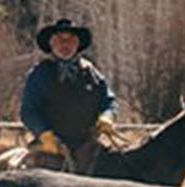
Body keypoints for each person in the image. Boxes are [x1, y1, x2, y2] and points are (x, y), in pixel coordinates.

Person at [20, 17, 119, 171]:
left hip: (88, 145)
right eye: (60, 40)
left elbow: (108, 100)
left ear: (78, 44)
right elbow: (28, 111)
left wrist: (107, 116)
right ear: (51, 44)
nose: (65, 45)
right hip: (52, 145)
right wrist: (44, 134)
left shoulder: (91, 73)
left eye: (71, 40)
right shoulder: (39, 74)